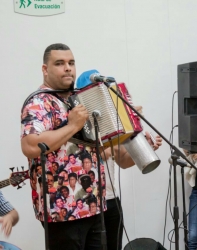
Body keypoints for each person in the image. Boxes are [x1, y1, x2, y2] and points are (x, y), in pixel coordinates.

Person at [20, 43, 148, 250]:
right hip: (62, 211)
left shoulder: (80, 99)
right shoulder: (39, 102)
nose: (68, 68)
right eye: (60, 63)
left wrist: (126, 121)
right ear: (45, 69)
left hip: (94, 205)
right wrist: (72, 126)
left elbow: (107, 146)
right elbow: (30, 145)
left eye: (71, 63)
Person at [76, 69, 163, 250]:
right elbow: (101, 152)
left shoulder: (110, 122)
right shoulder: (79, 126)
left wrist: (145, 147)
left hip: (110, 200)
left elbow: (123, 161)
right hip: (86, 204)